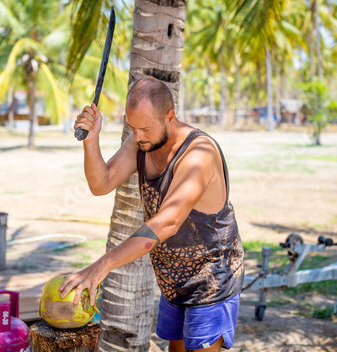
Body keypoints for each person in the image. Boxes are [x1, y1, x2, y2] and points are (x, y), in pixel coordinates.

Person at [60, 77, 244, 352]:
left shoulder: (197, 154)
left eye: (145, 128)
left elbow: (167, 222)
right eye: (133, 128)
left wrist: (102, 265)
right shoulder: (141, 143)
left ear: (170, 116)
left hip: (211, 280)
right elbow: (101, 183)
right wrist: (91, 140)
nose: (138, 136)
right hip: (174, 281)